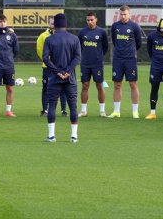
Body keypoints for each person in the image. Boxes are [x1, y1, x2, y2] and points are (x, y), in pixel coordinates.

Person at [42, 13, 81, 142]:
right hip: (70, 78)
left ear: (55, 25)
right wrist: (68, 71)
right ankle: (74, 136)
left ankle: (51, 136)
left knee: (52, 106)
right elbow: (77, 57)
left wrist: (57, 72)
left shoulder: (49, 39)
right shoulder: (74, 39)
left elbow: (45, 58)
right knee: (73, 107)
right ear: (65, 24)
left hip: (54, 78)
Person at [110, 5, 144, 118]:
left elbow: (138, 43)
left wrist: (130, 51)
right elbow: (114, 41)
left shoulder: (135, 26)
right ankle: (116, 111)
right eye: (121, 14)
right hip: (118, 59)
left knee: (133, 84)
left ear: (129, 14)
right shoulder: (115, 26)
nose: (123, 16)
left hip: (130, 59)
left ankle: (135, 112)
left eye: (125, 14)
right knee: (117, 84)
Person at [77, 12, 109, 117]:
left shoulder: (102, 32)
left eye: (91, 19)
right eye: (88, 20)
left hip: (97, 64)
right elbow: (79, 47)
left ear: (96, 19)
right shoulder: (82, 32)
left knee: (99, 85)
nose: (89, 22)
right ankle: (83, 111)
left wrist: (98, 56)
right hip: (85, 64)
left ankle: (102, 111)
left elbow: (105, 47)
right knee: (85, 86)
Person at [37, 17, 67, 116]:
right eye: (51, 23)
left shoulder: (63, 35)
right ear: (48, 24)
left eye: (55, 23)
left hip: (61, 66)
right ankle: (45, 110)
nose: (53, 25)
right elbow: (40, 50)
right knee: (46, 88)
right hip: (47, 66)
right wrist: (47, 60)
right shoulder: (43, 36)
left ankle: (63, 110)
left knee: (63, 88)